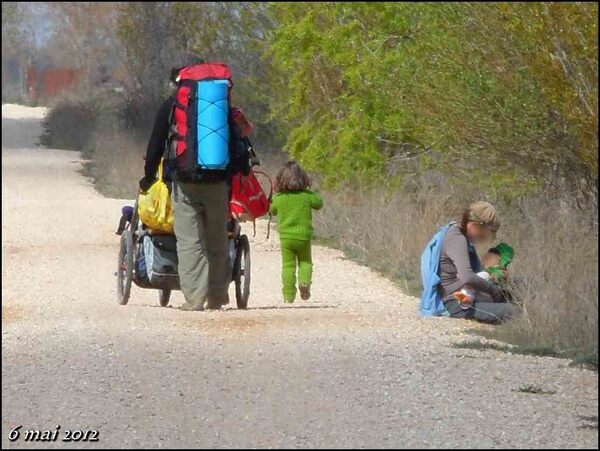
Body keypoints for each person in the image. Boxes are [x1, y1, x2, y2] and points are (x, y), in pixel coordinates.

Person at [139, 58, 248, 312]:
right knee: (217, 239)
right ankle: (217, 297)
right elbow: (241, 140)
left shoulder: (172, 105)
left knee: (190, 241)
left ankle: (195, 300)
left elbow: (155, 144)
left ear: (179, 81)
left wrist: (148, 177)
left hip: (185, 180)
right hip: (219, 181)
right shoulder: (223, 106)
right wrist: (240, 169)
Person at [438, 201, 516, 323]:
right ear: (474, 225)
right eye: (484, 233)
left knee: (518, 284)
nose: (482, 238)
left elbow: (474, 275)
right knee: (511, 311)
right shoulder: (456, 238)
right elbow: (467, 277)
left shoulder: (461, 236)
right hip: (455, 302)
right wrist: (493, 290)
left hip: (468, 294)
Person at [269, 161, 323, 303]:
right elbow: (319, 203)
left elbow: (271, 210)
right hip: (303, 237)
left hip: (286, 237)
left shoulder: (279, 198)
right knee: (305, 262)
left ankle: (288, 295)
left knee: (288, 265)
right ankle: (304, 282)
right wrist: (309, 192)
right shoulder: (307, 196)